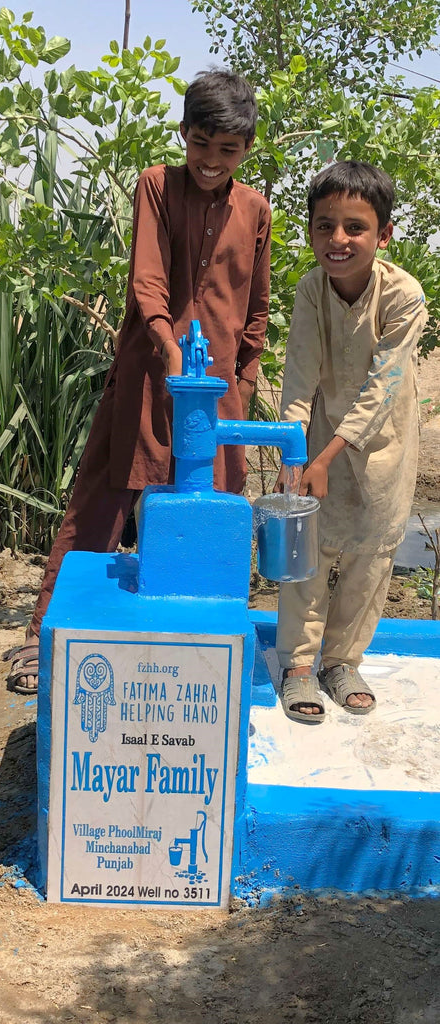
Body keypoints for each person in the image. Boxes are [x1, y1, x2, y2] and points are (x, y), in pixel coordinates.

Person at [4, 69, 272, 693]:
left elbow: (254, 303)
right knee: (103, 497)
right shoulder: (156, 186)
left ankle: (203, 648)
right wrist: (167, 346)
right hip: (153, 370)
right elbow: (146, 280)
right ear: (184, 134)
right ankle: (49, 637)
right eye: (200, 143)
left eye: (226, 149)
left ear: (246, 150)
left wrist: (246, 375)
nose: (210, 160)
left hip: (219, 386)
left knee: (219, 504)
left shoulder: (255, 209)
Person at [275, 160, 427, 723]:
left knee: (370, 554)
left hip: (382, 445)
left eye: (355, 228)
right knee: (306, 552)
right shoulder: (312, 290)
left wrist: (328, 454)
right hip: (315, 441)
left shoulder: (404, 295)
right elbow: (299, 374)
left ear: (383, 235)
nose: (337, 240)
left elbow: (383, 386)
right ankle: (296, 664)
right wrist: (294, 450)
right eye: (324, 225)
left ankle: (341, 662)